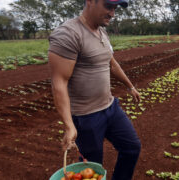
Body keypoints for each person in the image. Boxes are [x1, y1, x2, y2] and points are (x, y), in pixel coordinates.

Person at [48, 0, 141, 179]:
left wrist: (130, 86)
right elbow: (59, 82)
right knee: (92, 165)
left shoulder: (102, 32)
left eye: (115, 8)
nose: (112, 13)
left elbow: (112, 64)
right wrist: (69, 125)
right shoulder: (68, 34)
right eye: (108, 6)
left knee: (131, 148)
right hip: (86, 116)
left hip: (110, 107)